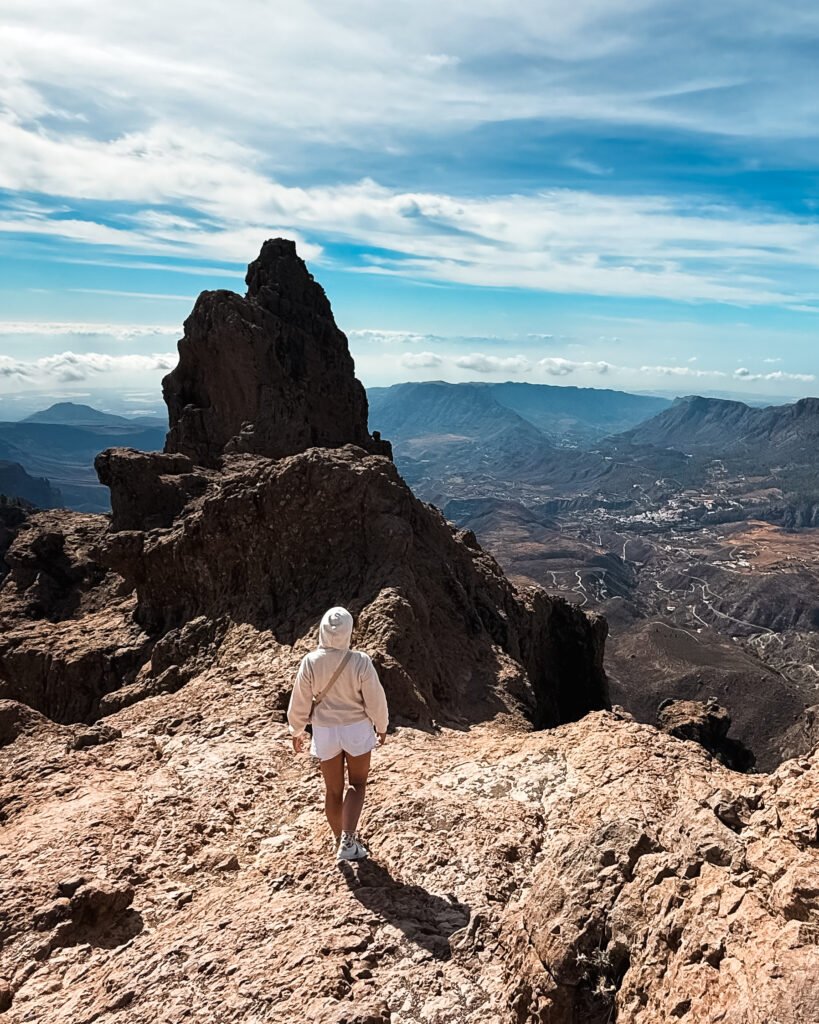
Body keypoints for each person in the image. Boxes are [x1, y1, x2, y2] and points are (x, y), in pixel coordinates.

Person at [288, 606, 389, 862]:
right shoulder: (360, 661)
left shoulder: (310, 661)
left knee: (333, 790)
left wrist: (297, 729)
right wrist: (382, 725)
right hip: (356, 729)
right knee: (357, 784)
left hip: (325, 731)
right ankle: (348, 840)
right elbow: (375, 698)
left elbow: (300, 699)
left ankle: (339, 839)